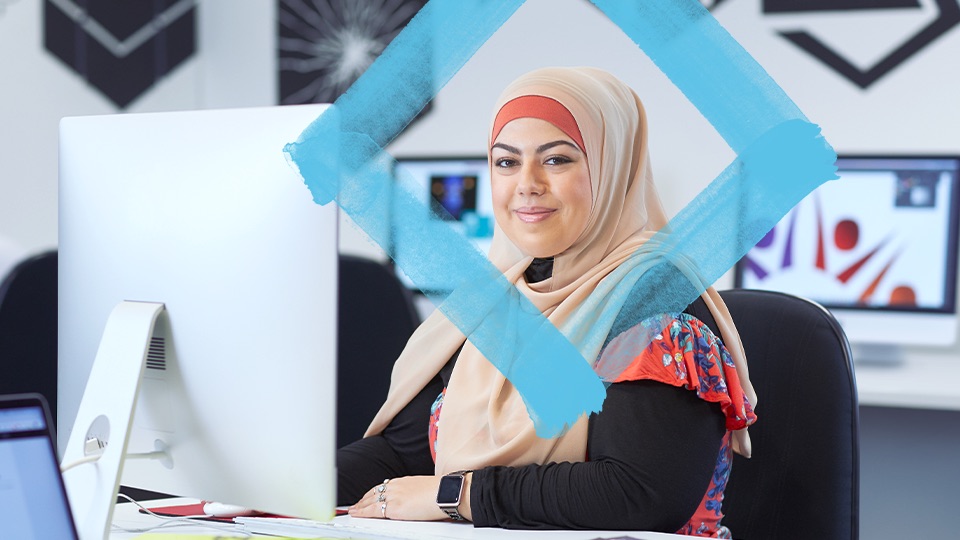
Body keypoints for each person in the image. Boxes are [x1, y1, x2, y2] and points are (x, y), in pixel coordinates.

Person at [337, 67, 757, 537]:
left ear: (612, 167)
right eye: (506, 162)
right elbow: (402, 453)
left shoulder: (654, 300)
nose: (527, 183)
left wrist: (454, 495)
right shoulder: (495, 298)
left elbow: (637, 494)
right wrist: (294, 489)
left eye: (556, 160)